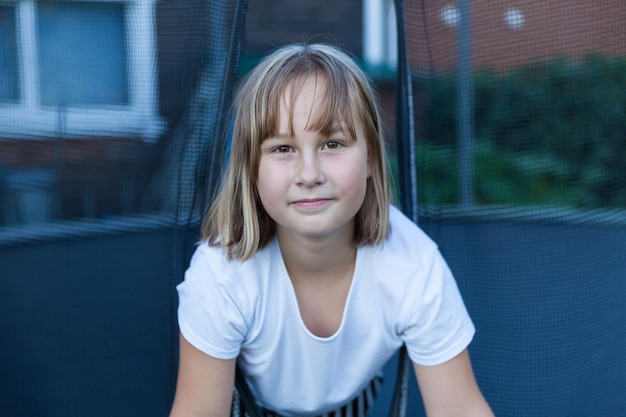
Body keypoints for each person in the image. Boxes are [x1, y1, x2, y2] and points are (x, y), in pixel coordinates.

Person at [169, 42, 494, 417]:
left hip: (351, 403)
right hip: (249, 405)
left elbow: (461, 408)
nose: (309, 174)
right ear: (251, 168)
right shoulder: (222, 273)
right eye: (283, 149)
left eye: (332, 143)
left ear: (370, 158)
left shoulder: (413, 265)